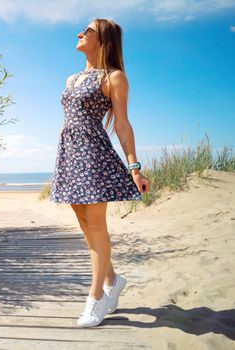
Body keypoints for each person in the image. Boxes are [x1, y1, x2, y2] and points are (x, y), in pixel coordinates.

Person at [49, 18, 151, 328]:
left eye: (88, 31)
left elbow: (122, 124)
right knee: (83, 224)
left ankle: (96, 300)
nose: (80, 34)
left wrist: (134, 167)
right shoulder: (71, 79)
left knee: (96, 225)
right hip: (69, 154)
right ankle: (114, 280)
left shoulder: (114, 78)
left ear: (103, 39)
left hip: (93, 156)